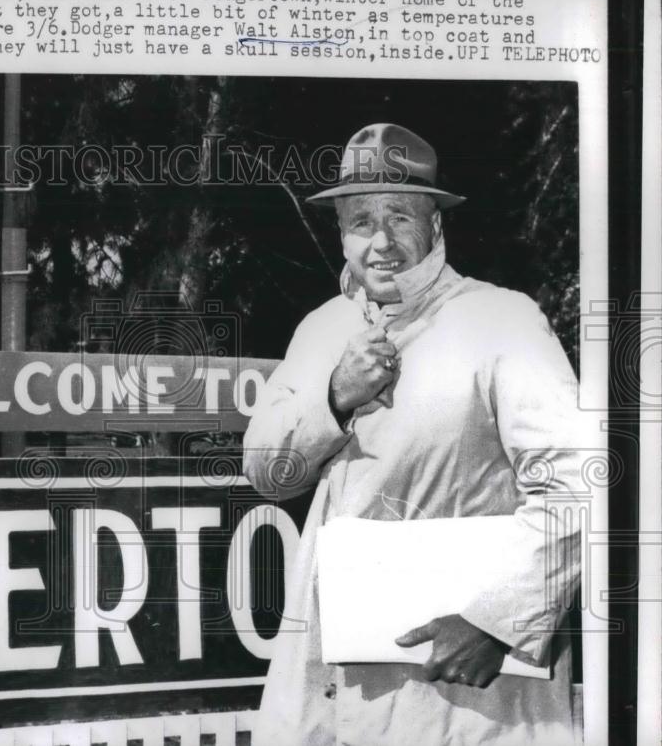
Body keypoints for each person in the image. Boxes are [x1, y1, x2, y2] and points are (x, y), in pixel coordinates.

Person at [243, 123, 586, 745]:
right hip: (322, 679)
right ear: (340, 233)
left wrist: (497, 621)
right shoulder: (320, 330)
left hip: (457, 687)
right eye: (360, 220)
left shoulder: (500, 319)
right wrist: (335, 397)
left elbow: (578, 487)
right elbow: (268, 472)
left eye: (400, 216)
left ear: (436, 225)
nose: (381, 241)